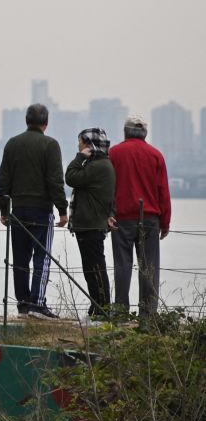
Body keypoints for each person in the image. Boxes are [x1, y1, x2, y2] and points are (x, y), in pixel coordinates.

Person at [0, 103, 68, 319]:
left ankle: (23, 305)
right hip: (41, 211)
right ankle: (37, 305)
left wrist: (3, 208)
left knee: (20, 259)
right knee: (42, 258)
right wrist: (63, 210)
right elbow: (55, 181)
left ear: (27, 120)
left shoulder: (12, 144)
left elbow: (4, 179)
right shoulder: (51, 145)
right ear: (46, 123)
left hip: (17, 210)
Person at [108, 115, 171, 318]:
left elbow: (107, 187)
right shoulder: (156, 155)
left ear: (125, 132)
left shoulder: (114, 153)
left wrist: (107, 213)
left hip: (121, 218)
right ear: (145, 133)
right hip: (150, 219)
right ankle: (148, 314)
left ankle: (120, 312)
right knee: (149, 267)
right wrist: (166, 222)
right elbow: (163, 191)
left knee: (122, 265)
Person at [65, 128, 115, 320]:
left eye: (81, 143)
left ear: (89, 144)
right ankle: (98, 307)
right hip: (90, 224)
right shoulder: (100, 164)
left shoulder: (97, 166)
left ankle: (102, 308)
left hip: (91, 225)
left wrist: (79, 157)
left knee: (95, 269)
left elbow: (71, 177)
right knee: (92, 268)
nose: (78, 146)